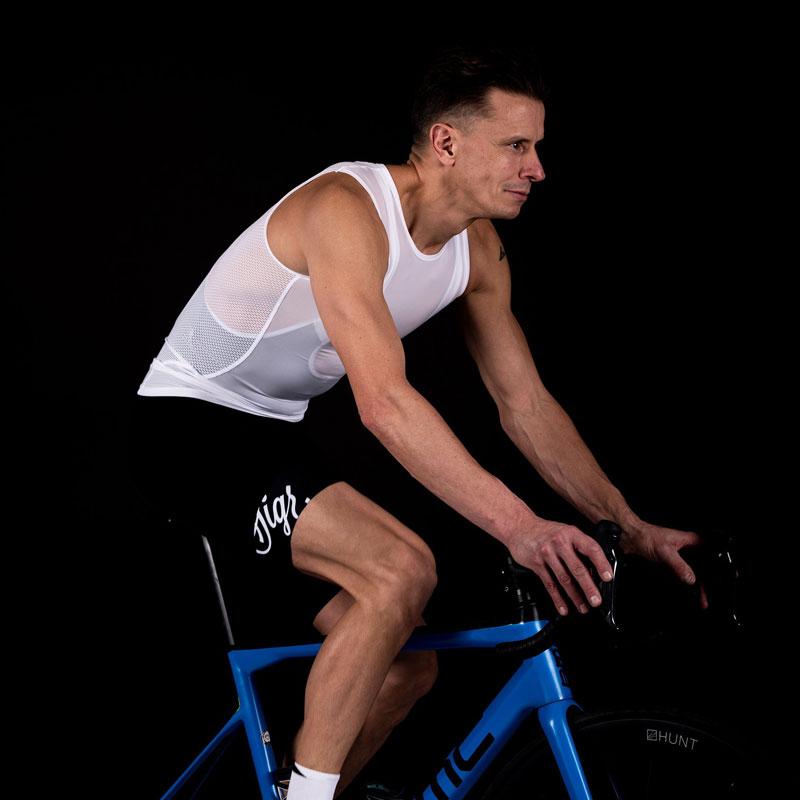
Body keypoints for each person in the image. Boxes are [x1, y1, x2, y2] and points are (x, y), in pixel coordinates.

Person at [129, 45, 709, 800]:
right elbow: (384, 403)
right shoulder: (346, 209)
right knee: (400, 570)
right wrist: (521, 527)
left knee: (407, 667)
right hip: (189, 430)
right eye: (516, 145)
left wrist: (628, 526)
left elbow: (526, 405)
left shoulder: (480, 251)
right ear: (446, 142)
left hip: (268, 435)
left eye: (537, 147)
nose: (537, 168)